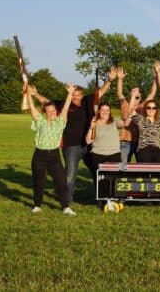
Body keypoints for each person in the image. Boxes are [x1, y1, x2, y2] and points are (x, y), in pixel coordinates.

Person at [30, 67, 117, 204]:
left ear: (82, 95)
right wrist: (35, 94)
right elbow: (46, 102)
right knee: (70, 174)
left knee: (97, 172)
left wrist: (110, 80)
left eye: (78, 95)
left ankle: (101, 198)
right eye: (74, 95)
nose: (76, 97)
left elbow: (101, 91)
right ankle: (67, 202)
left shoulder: (88, 101)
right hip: (71, 146)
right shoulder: (64, 104)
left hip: (90, 145)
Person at [24, 83, 77, 215]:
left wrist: (70, 93)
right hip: (39, 155)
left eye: (54, 110)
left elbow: (65, 108)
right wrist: (29, 95)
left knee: (61, 182)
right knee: (39, 182)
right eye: (49, 111)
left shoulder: (60, 122)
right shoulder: (40, 121)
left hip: (54, 156)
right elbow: (32, 108)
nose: (52, 113)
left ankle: (66, 207)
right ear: (45, 112)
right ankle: (37, 205)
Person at [123, 62, 160, 163]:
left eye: (154, 108)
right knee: (146, 167)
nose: (151, 110)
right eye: (148, 108)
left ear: (156, 110)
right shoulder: (141, 120)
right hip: (144, 149)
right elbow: (131, 111)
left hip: (157, 149)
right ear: (145, 109)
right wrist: (133, 97)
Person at [116, 66, 157, 163]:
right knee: (123, 166)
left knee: (142, 167)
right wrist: (120, 79)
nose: (136, 93)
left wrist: (156, 78)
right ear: (130, 94)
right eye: (134, 91)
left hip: (140, 142)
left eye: (138, 92)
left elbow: (152, 94)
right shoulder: (125, 105)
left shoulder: (143, 107)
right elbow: (119, 94)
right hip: (125, 141)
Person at [85, 102, 123, 185]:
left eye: (107, 110)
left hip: (114, 155)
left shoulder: (114, 121)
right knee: (100, 182)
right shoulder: (94, 123)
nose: (105, 112)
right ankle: (100, 193)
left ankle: (112, 193)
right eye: (102, 110)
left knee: (114, 180)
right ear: (99, 111)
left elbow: (125, 123)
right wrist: (91, 127)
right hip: (98, 156)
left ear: (110, 112)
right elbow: (88, 141)